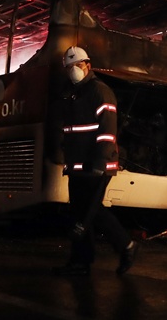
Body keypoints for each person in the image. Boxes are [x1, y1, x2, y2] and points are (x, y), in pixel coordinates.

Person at [52, 46, 137, 276]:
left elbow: (107, 132)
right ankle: (81, 261)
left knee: (93, 213)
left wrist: (100, 163)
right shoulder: (70, 93)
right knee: (79, 213)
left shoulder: (100, 91)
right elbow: (68, 131)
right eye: (69, 67)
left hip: (96, 166)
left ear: (88, 65)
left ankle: (127, 247)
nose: (73, 71)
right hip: (78, 166)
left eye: (77, 66)